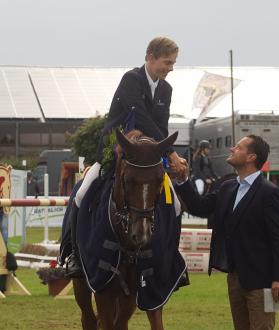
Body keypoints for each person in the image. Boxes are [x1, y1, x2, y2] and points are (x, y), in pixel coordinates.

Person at [175, 135, 279, 330]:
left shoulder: (269, 193)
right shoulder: (227, 187)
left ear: (251, 157)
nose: (231, 148)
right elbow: (200, 207)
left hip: (263, 281)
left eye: (238, 147)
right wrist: (182, 180)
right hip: (235, 278)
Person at [63, 36, 188, 277]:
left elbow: (160, 126)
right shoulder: (131, 79)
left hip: (148, 157)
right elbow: (138, 115)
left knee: (176, 205)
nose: (171, 68)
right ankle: (72, 254)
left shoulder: (166, 89)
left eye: (173, 63)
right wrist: (171, 153)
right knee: (81, 193)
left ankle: (173, 257)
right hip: (116, 149)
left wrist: (168, 152)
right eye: (167, 62)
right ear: (150, 58)